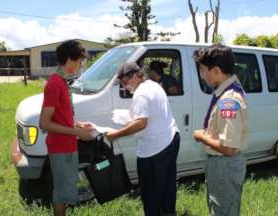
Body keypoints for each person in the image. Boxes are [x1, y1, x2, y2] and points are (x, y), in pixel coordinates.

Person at [106, 62, 180, 216]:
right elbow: (150, 115)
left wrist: (115, 135)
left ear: (134, 76)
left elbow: (141, 123)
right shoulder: (153, 84)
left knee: (151, 191)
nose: (125, 86)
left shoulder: (141, 94)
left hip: (155, 149)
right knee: (167, 185)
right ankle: (169, 212)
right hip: (170, 138)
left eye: (125, 82)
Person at [39, 40, 94, 216]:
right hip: (60, 147)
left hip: (67, 144)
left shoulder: (63, 81)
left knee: (65, 187)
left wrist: (78, 124)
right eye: (80, 60)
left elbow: (62, 116)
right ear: (70, 59)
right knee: (62, 191)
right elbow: (45, 123)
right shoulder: (55, 83)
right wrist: (77, 132)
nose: (81, 65)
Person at [192, 44, 248, 216]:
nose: (202, 75)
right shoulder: (226, 92)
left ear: (215, 70)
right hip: (221, 164)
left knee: (223, 210)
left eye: (202, 70)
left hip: (224, 164)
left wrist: (201, 136)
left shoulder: (228, 100)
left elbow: (229, 148)